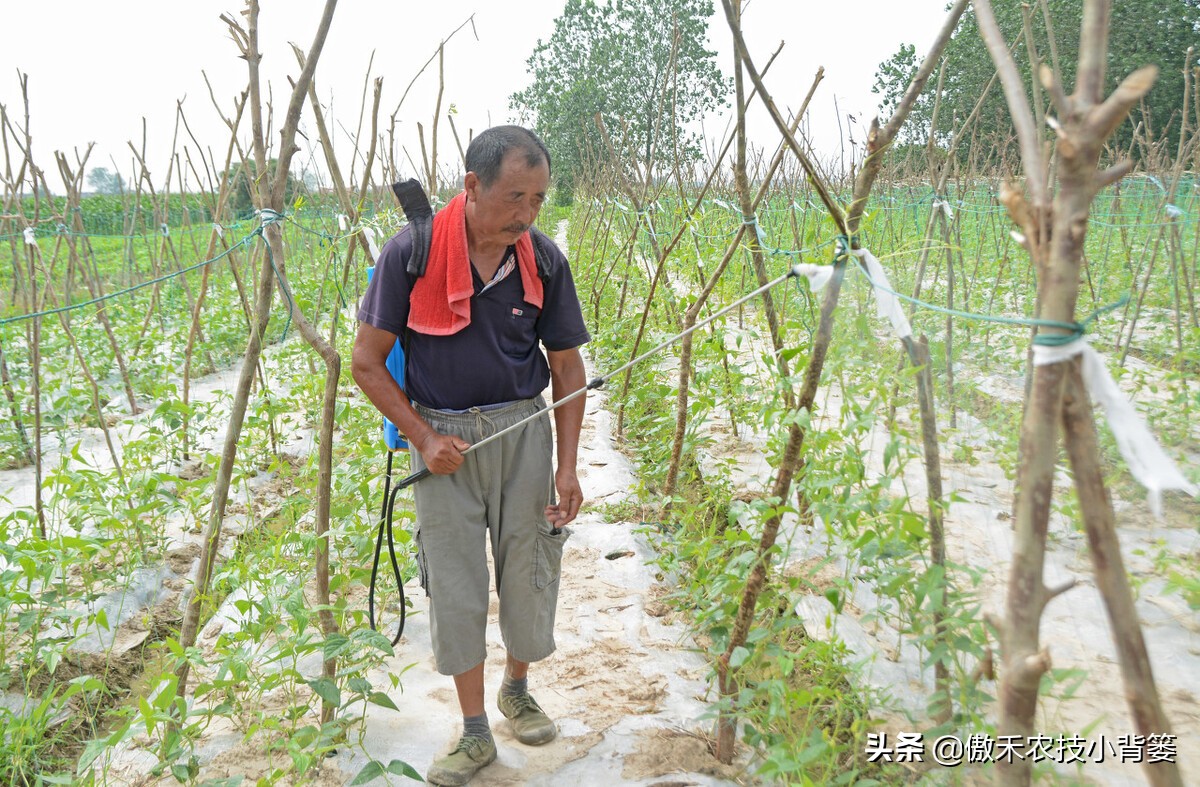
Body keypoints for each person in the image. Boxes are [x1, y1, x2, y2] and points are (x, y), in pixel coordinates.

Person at [351, 125, 589, 786]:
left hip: (523, 436)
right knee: (454, 582)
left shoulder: (543, 261)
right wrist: (423, 437)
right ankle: (476, 727)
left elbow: (567, 369)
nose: (528, 213)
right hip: (443, 442)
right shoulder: (411, 255)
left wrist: (567, 466)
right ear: (473, 187)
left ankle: (517, 687)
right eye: (515, 196)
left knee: (530, 565)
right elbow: (366, 364)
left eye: (539, 198)